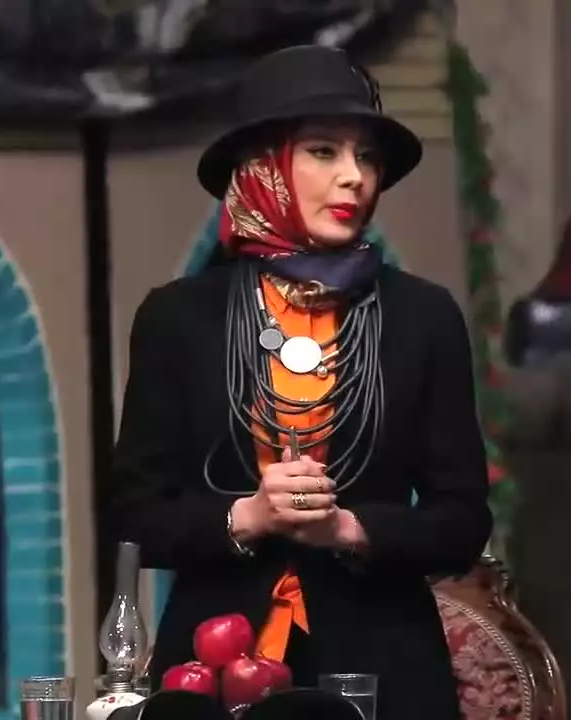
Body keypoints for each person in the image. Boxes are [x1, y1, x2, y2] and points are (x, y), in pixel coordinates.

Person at [110, 45, 492, 720]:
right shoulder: (179, 318)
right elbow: (135, 516)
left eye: (367, 157)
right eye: (323, 151)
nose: (354, 177)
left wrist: (349, 528)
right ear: (262, 166)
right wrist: (247, 516)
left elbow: (462, 522)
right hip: (211, 669)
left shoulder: (423, 316)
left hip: (385, 668)